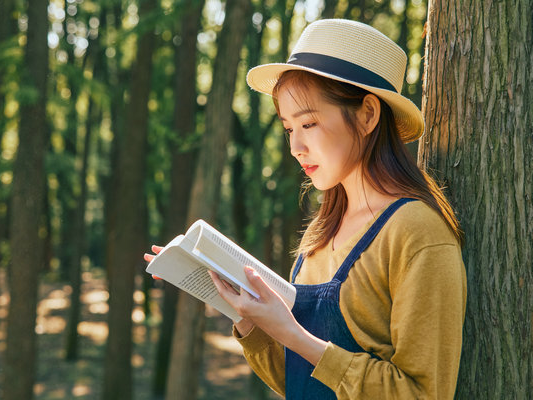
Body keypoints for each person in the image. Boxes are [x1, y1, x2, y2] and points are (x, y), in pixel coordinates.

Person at [147, 19, 467, 399]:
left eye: (309, 123)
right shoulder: (320, 235)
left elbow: (424, 393)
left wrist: (293, 335)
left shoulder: (417, 233)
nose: (295, 146)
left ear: (367, 114)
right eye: (288, 128)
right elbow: (300, 381)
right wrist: (249, 320)